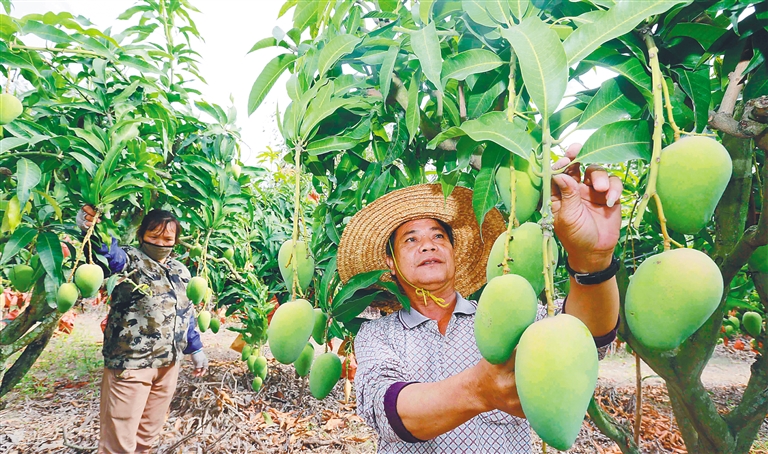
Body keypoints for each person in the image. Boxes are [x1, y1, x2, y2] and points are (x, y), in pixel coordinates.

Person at [337, 145, 622, 453]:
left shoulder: (509, 316)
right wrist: (478, 391)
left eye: (438, 236)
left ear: (453, 252)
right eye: (411, 239)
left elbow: (586, 338)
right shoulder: (378, 335)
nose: (428, 246)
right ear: (390, 263)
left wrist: (593, 259)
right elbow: (386, 411)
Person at [77, 206, 209, 454]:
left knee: (146, 438)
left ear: (176, 241)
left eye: (168, 239)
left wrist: (196, 348)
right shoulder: (129, 260)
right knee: (119, 443)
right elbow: (108, 253)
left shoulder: (180, 271)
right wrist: (93, 229)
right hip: (132, 365)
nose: (161, 243)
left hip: (168, 365)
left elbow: (186, 312)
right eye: (154, 236)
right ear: (141, 234)